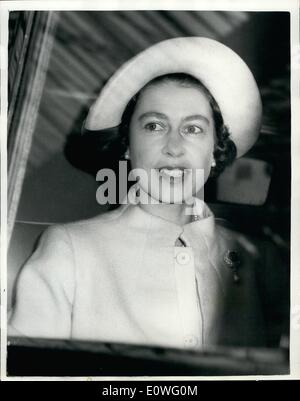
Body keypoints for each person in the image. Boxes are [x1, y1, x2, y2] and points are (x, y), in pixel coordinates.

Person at [8, 37, 287, 349]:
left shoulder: (263, 264)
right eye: (154, 126)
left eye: (193, 129)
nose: (173, 147)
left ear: (214, 150)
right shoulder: (70, 251)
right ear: (127, 145)